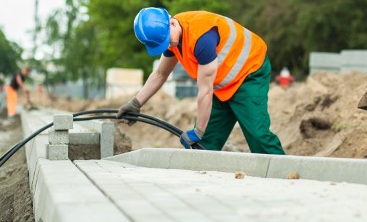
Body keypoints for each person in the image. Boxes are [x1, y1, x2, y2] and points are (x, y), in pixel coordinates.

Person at [117, 8, 285, 154]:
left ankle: (286, 177)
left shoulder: (202, 38)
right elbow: (160, 73)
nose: (168, 46)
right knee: (204, 144)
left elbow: (205, 91)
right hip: (222, 83)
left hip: (249, 72)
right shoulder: (172, 38)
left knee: (258, 135)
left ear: (172, 23)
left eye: (167, 41)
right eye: (163, 44)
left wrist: (198, 131)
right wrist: (136, 103)